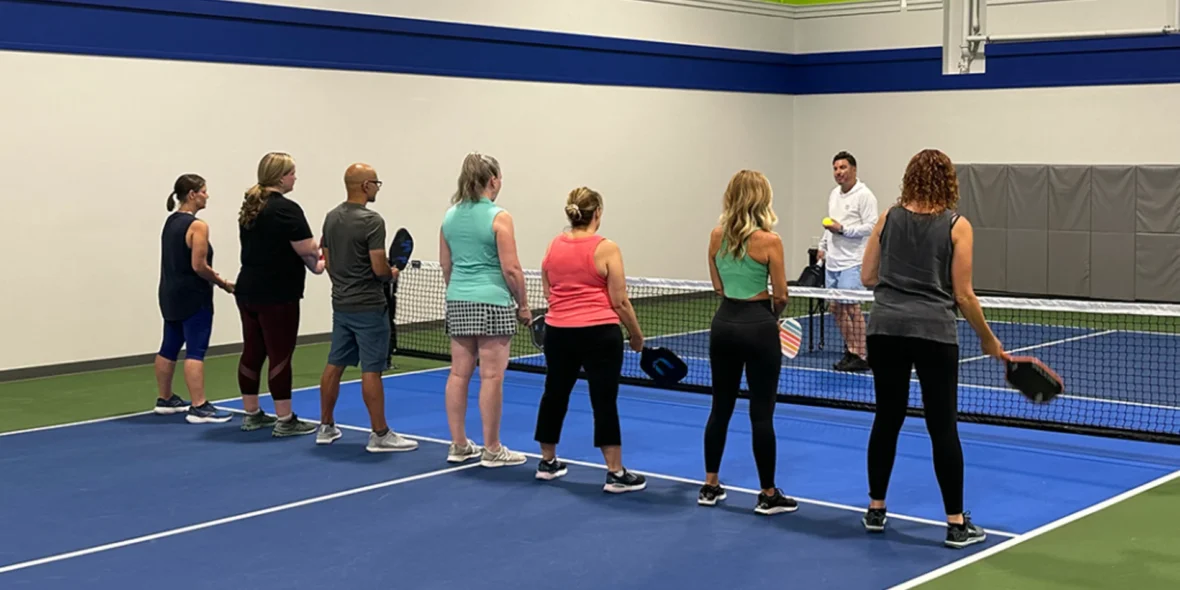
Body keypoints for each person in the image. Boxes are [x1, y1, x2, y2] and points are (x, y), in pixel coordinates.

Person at [859, 148, 1007, 549]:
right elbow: (964, 295)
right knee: (942, 426)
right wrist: (988, 338)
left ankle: (875, 509)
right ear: (949, 181)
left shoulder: (887, 218)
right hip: (934, 333)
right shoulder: (958, 226)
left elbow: (867, 275)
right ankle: (956, 524)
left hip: (884, 329)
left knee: (887, 418)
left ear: (909, 178)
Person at [532, 187, 647, 493]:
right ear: (597, 213)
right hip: (599, 334)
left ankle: (547, 461)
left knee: (554, 393)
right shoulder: (607, 248)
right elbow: (620, 301)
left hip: (558, 333)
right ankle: (615, 472)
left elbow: (548, 288)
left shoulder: (553, 245)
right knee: (604, 400)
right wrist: (636, 334)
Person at [699, 170, 797, 515]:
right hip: (759, 326)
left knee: (720, 408)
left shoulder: (715, 236)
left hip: (724, 324)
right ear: (762, 200)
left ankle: (710, 485)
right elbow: (781, 294)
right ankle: (768, 494)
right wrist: (770, 315)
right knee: (761, 414)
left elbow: (718, 286)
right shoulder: (771, 241)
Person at [316, 163, 418, 452]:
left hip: (342, 303)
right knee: (371, 370)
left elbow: (329, 262)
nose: (377, 187)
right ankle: (380, 434)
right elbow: (378, 267)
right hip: (370, 306)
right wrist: (392, 273)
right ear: (365, 186)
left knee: (334, 364)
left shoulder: (330, 217)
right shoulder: (372, 221)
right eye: (376, 182)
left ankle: (325, 427)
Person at [439, 152, 530, 468]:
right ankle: (492, 448)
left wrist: (459, 292)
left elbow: (445, 265)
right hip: (493, 302)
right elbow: (512, 268)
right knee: (491, 376)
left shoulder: (450, 216)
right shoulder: (500, 216)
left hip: (458, 300)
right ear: (493, 180)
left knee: (458, 373)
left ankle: (459, 444)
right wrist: (524, 304)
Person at [233, 152, 323, 437]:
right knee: (280, 354)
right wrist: (323, 254)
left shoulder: (251, 206)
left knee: (252, 350)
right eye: (292, 172)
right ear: (281, 177)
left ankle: (252, 414)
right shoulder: (287, 209)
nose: (295, 177)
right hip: (277, 294)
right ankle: (285, 420)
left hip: (247, 290)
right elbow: (308, 249)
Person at [153, 174, 234, 424]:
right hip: (193, 296)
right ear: (192, 194)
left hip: (169, 294)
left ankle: (165, 399)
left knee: (170, 345)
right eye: (204, 191)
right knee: (196, 350)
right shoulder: (198, 226)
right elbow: (199, 265)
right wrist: (222, 283)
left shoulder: (170, 222)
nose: (207, 196)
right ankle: (199, 406)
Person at [817, 151, 877, 372]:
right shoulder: (834, 194)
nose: (838, 172)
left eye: (842, 168)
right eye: (835, 168)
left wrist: (844, 230)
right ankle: (852, 350)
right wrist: (823, 247)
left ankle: (861, 354)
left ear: (853, 169)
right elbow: (830, 224)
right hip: (833, 261)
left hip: (853, 261)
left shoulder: (865, 196)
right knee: (836, 308)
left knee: (851, 307)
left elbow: (871, 227)